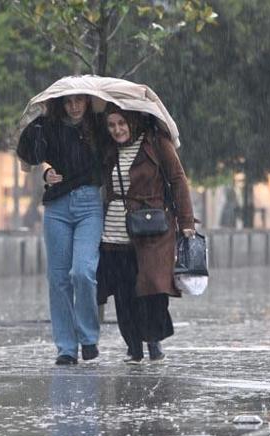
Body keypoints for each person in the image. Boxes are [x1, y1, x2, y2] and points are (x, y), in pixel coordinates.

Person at [97, 104, 195, 363]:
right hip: (115, 230)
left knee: (152, 287)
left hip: (152, 228)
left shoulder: (156, 143)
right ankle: (133, 346)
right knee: (123, 292)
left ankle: (153, 339)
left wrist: (186, 221)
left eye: (121, 123)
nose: (117, 129)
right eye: (111, 125)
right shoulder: (107, 149)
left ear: (131, 120)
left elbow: (177, 180)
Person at [17, 94, 104, 365]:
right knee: (58, 279)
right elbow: (31, 155)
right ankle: (66, 347)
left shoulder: (99, 127)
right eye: (69, 102)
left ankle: (88, 337)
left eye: (80, 101)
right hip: (57, 206)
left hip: (90, 203)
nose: (75, 107)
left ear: (88, 102)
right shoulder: (48, 126)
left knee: (83, 271)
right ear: (61, 104)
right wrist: (46, 173)